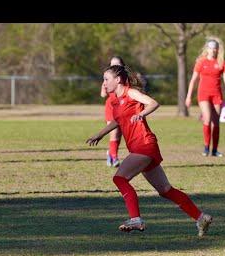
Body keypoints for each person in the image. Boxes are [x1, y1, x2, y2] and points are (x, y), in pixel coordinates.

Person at [87, 65, 213, 236]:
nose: (103, 83)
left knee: (120, 178)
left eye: (106, 79)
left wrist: (142, 114)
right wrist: (99, 134)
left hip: (144, 144)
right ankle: (200, 217)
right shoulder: (115, 101)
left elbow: (154, 103)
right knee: (165, 190)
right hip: (142, 147)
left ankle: (135, 219)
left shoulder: (130, 93)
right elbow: (117, 121)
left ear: (117, 80)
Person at [186, 38, 225, 157]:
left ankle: (215, 150)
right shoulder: (201, 62)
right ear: (207, 49)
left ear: (217, 49)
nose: (213, 50)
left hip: (217, 95)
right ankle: (206, 147)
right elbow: (193, 80)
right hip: (203, 94)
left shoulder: (221, 62)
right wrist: (188, 96)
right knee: (207, 119)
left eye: (215, 48)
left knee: (216, 122)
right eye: (210, 47)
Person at [100, 56, 124, 167]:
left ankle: (111, 153)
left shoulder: (126, 78)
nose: (114, 66)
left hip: (123, 107)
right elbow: (103, 94)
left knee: (119, 135)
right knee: (113, 133)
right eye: (112, 64)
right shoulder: (108, 77)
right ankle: (114, 158)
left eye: (117, 64)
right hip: (112, 107)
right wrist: (105, 85)